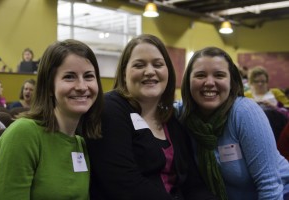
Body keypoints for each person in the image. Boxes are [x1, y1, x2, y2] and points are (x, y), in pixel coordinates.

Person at [87, 34, 217, 200]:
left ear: (168, 71)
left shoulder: (172, 120)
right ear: (124, 72)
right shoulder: (109, 109)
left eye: (158, 64)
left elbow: (192, 184)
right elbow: (125, 184)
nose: (149, 72)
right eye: (139, 65)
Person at [0, 39, 103, 199]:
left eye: (89, 76)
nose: (82, 86)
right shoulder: (23, 134)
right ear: (49, 86)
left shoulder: (80, 143)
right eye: (69, 77)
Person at [176, 46, 289, 200]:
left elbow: (270, 187)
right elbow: (159, 108)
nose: (209, 82)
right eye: (200, 75)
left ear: (232, 82)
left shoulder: (244, 112)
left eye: (219, 75)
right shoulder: (185, 116)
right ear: (188, 82)